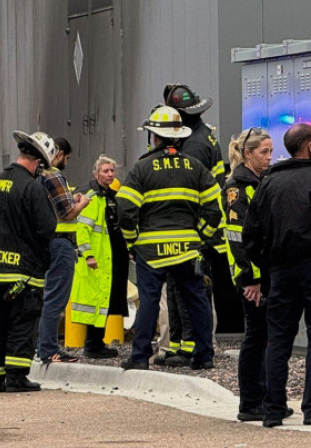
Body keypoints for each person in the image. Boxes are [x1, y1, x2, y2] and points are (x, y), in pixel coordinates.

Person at [117, 106, 221, 371]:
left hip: (151, 251)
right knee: (196, 299)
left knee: (149, 302)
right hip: (188, 249)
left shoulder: (142, 168)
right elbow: (213, 208)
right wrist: (202, 238)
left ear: (154, 137)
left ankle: (140, 357)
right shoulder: (196, 167)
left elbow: (126, 209)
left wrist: (132, 241)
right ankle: (204, 356)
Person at [243, 122, 311, 428]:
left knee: (279, 339)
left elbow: (250, 233)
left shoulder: (269, 183)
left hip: (280, 271)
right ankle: (310, 409)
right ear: (308, 146)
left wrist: (267, 265)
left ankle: (273, 410)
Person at [0, 130, 57, 392]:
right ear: (37, 163)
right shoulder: (32, 188)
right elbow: (47, 229)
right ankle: (16, 376)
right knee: (22, 323)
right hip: (23, 274)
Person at [224, 128, 292, 422]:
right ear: (248, 153)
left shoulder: (261, 180)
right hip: (250, 275)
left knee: (265, 335)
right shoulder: (238, 188)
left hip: (265, 272)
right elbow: (238, 238)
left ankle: (264, 396)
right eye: (264, 152)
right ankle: (250, 401)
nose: (269, 157)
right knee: (256, 336)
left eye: (270, 151)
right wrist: (251, 279)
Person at [156, 84, 227, 367]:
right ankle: (180, 346)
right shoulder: (202, 135)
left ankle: (193, 349)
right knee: (178, 288)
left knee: (190, 290)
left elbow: (189, 190)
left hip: (196, 231)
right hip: (196, 229)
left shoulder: (195, 146)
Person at [35, 137, 90, 363]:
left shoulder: (36, 176)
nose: (65, 162)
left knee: (44, 296)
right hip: (60, 244)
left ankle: (41, 345)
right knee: (55, 298)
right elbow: (68, 213)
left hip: (43, 243)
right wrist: (82, 203)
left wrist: (71, 199)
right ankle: (48, 348)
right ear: (58, 154)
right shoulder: (54, 175)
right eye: (66, 158)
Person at [68, 155, 128, 360]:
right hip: (97, 260)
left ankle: (96, 343)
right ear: (96, 173)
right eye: (105, 171)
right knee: (96, 303)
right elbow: (83, 228)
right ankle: (93, 345)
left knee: (104, 302)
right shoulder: (92, 196)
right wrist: (89, 255)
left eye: (112, 171)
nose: (110, 174)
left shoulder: (110, 196)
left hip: (108, 258)